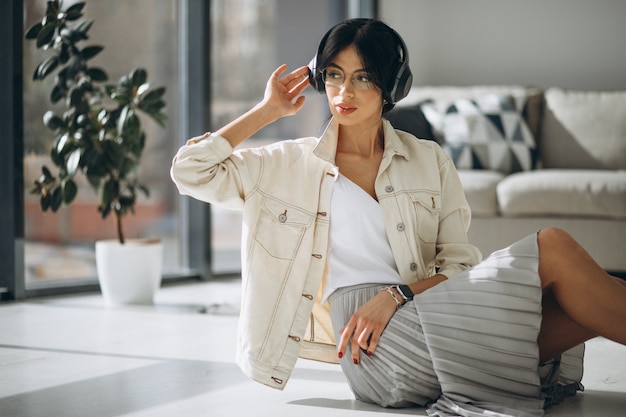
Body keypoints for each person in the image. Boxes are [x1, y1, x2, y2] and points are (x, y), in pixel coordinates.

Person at [171, 18, 626, 417]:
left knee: (587, 299)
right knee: (554, 247)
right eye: (333, 76)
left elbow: (459, 266)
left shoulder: (428, 160)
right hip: (369, 344)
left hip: (416, 307)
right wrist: (268, 110)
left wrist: (397, 294)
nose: (344, 92)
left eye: (362, 78)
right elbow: (190, 172)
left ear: (391, 86)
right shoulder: (288, 165)